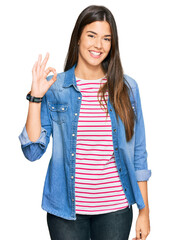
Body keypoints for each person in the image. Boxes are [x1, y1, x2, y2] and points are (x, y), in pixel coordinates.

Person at [18, 5, 151, 240]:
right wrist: (36, 98)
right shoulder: (55, 87)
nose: (98, 45)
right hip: (65, 210)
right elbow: (32, 151)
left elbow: (138, 153)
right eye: (92, 35)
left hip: (115, 208)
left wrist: (144, 211)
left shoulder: (127, 88)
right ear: (78, 37)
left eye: (106, 38)